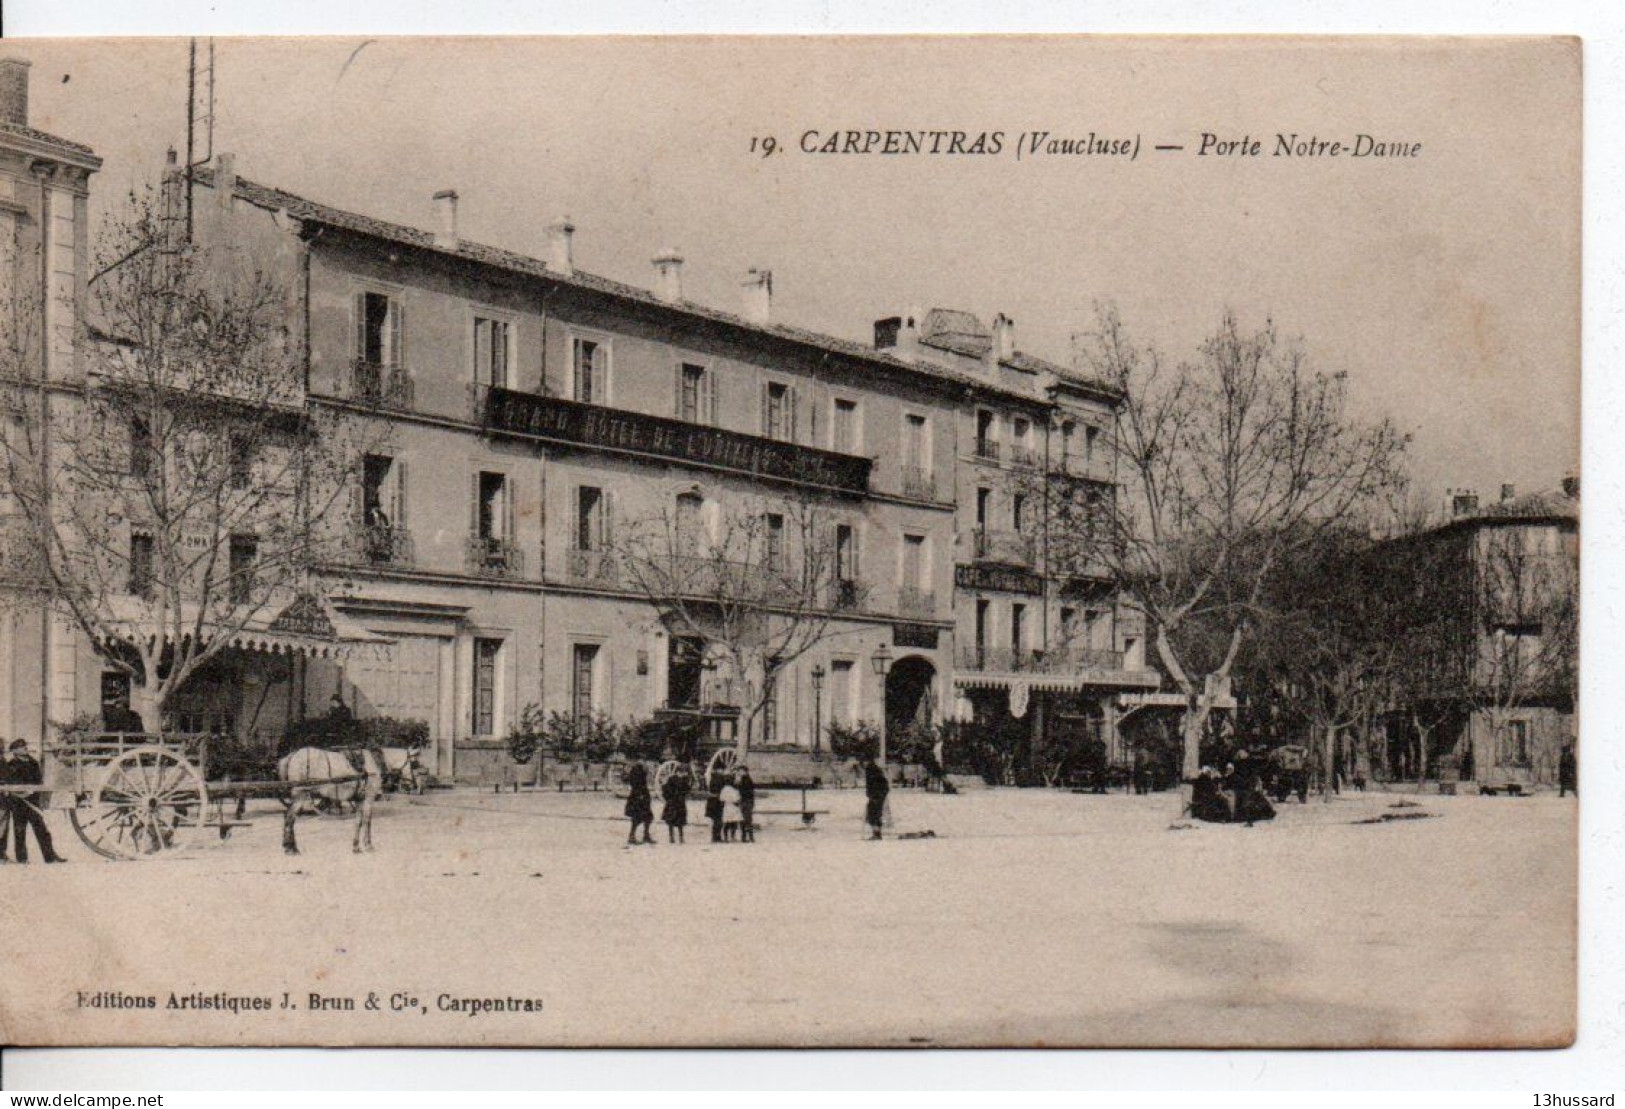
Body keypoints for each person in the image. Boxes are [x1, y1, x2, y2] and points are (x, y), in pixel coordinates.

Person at [3, 740, 64, 863]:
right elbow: (11, 783)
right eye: (20, 747)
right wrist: (22, 793)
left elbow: (39, 780)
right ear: (14, 751)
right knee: (19, 831)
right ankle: (22, 858)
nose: (24, 748)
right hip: (18, 802)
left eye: (24, 746)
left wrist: (34, 792)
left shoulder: (33, 762)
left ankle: (50, 857)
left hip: (33, 801)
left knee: (42, 829)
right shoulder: (12, 764)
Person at [623, 761, 655, 846]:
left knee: (647, 817)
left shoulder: (639, 768)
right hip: (639, 796)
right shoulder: (637, 770)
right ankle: (633, 836)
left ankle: (645, 835)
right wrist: (641, 794)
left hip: (641, 795)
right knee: (638, 817)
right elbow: (636, 783)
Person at [862, 756, 889, 841]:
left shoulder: (870, 769)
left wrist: (871, 794)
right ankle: (877, 832)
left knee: (873, 813)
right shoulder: (875, 769)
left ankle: (876, 833)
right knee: (876, 812)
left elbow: (871, 783)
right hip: (880, 793)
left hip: (876, 794)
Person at [661, 766, 691, 843]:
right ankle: (672, 837)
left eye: (683, 772)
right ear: (677, 772)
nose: (682, 774)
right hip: (673, 802)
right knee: (672, 820)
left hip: (679, 803)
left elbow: (687, 789)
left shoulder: (684, 780)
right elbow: (666, 790)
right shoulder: (672, 779)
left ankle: (680, 837)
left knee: (680, 821)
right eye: (681, 772)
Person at [718, 775, 743, 842]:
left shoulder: (724, 789)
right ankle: (732, 837)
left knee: (727, 823)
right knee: (734, 823)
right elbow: (736, 800)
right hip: (734, 807)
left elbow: (721, 799)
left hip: (727, 807)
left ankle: (726, 838)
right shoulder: (734, 790)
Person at [735, 765, 756, 843]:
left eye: (740, 771)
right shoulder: (745, 779)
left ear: (744, 771)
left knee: (746, 820)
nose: (739, 772)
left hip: (746, 801)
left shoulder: (746, 780)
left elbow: (746, 792)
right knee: (746, 820)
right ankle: (747, 837)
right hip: (747, 801)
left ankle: (747, 837)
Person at [705, 770, 726, 843]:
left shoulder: (712, 777)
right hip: (717, 802)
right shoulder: (720, 778)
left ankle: (715, 837)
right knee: (718, 820)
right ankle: (717, 837)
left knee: (715, 820)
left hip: (712, 803)